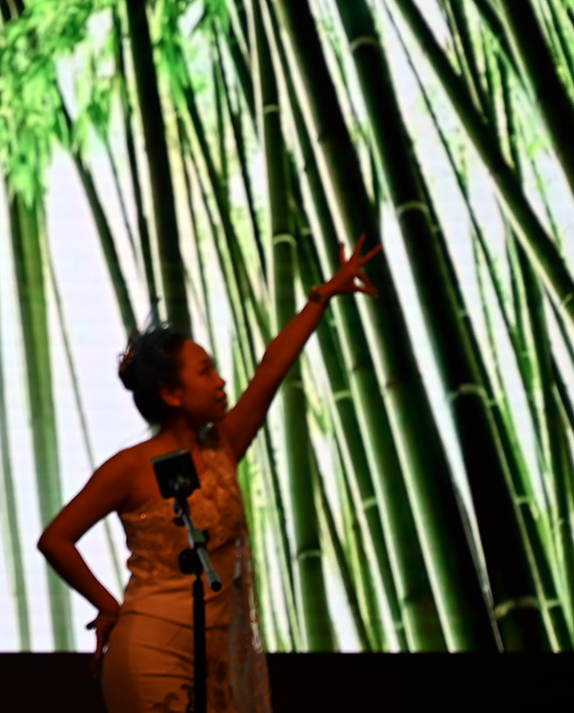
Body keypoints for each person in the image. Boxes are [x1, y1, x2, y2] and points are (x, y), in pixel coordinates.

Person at [37, 236, 383, 713]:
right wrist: (108, 605)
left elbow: (272, 368)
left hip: (211, 655)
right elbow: (56, 539)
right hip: (150, 653)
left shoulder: (223, 446)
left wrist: (321, 297)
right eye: (205, 371)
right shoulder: (130, 467)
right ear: (172, 393)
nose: (221, 381)